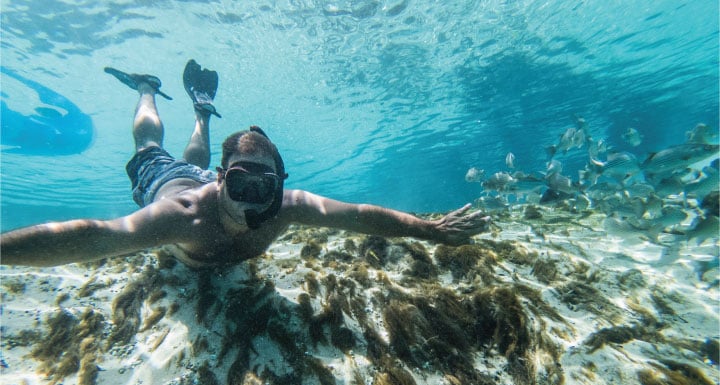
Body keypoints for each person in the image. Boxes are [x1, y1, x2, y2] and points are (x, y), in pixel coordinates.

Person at [0, 60, 491, 269]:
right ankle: (148, 88)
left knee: (192, 156)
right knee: (150, 143)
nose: (251, 199)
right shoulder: (185, 215)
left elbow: (359, 216)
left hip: (196, 175)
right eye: (240, 182)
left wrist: (429, 230)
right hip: (168, 185)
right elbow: (101, 236)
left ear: (281, 185)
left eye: (265, 186)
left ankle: (201, 111)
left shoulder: (287, 206)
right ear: (222, 180)